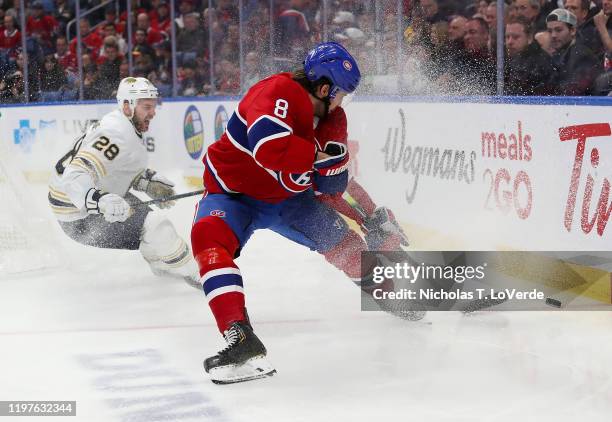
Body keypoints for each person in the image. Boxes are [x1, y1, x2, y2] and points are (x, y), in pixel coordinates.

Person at [191, 42, 369, 384]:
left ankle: (409, 292)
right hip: (233, 196)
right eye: (341, 93)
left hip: (290, 202)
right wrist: (320, 158)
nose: (342, 102)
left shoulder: (334, 119)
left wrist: (342, 178)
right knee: (208, 242)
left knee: (345, 245)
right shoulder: (278, 91)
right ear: (323, 87)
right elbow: (270, 149)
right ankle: (239, 336)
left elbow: (330, 187)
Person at [48, 77, 199, 285]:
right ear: (127, 106)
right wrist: (100, 201)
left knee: (151, 227)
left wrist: (145, 182)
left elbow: (113, 169)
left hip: (81, 204)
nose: (152, 113)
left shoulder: (120, 124)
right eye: (146, 107)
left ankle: (162, 265)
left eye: (153, 107)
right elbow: (74, 176)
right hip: (79, 218)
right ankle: (195, 274)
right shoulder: (115, 134)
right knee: (157, 226)